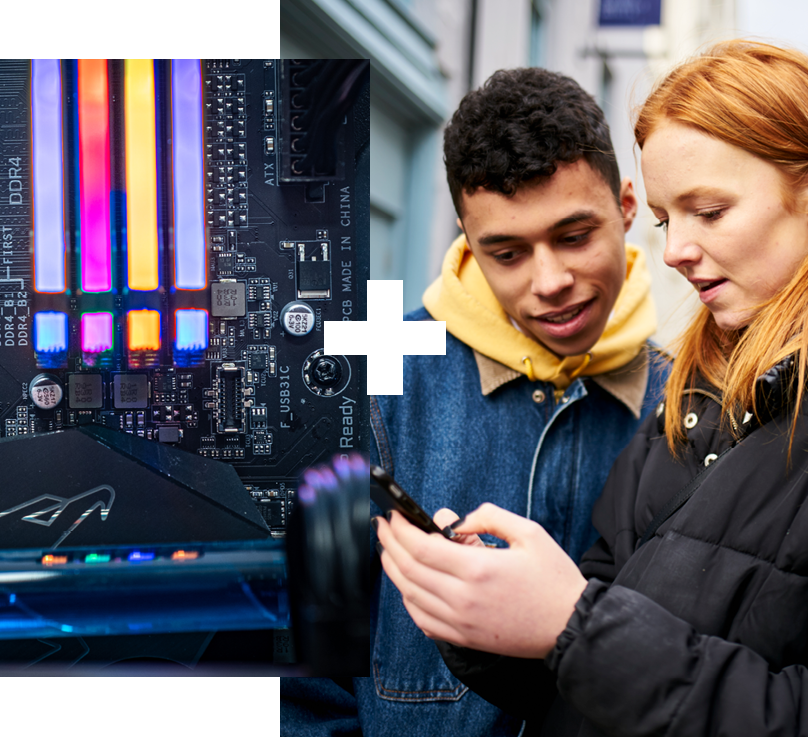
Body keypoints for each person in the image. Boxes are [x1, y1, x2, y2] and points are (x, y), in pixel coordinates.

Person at [375, 39, 808, 736]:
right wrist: (490, 614)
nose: (673, 251)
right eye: (670, 221)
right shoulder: (694, 395)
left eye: (710, 211)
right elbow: (589, 658)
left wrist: (570, 620)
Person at [282, 68, 669, 736]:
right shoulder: (367, 378)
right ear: (467, 236)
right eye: (508, 252)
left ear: (627, 206)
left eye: (575, 236)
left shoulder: (687, 400)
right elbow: (302, 673)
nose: (551, 281)